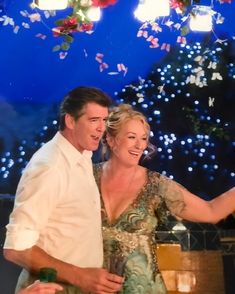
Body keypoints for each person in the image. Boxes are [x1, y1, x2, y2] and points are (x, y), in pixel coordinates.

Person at [93, 103, 235, 294]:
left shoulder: (157, 185)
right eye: (132, 137)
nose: (140, 145)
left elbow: (211, 211)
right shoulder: (86, 176)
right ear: (111, 140)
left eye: (143, 138)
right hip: (89, 286)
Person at [3, 86, 124, 294]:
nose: (101, 129)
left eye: (104, 121)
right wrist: (82, 276)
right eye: (94, 120)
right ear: (70, 121)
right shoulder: (50, 166)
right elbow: (16, 248)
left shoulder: (82, 156)